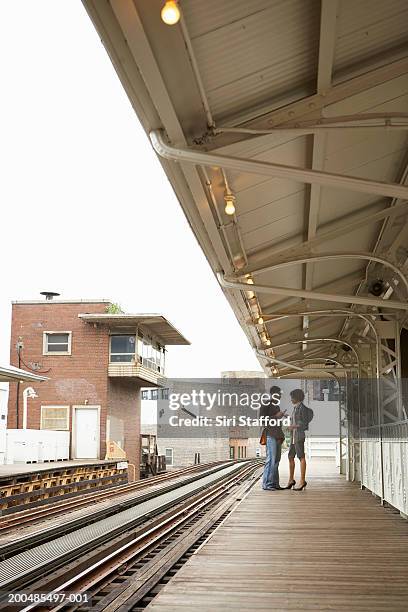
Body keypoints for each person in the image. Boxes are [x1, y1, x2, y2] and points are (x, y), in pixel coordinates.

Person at [260, 385, 286, 491]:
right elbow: (262, 420)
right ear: (274, 394)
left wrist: (282, 416)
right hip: (270, 435)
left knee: (276, 460)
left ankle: (275, 483)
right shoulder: (266, 404)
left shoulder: (276, 406)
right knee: (271, 459)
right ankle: (267, 484)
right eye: (279, 393)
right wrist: (276, 416)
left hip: (277, 435)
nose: (280, 395)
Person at [285, 388, 309, 491]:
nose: (291, 399)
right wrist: (289, 419)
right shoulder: (295, 408)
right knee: (290, 456)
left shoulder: (302, 408)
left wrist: (293, 426)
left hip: (299, 437)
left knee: (301, 457)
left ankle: (302, 481)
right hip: (294, 437)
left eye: (292, 397)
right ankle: (291, 480)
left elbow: (304, 424)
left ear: (296, 398)